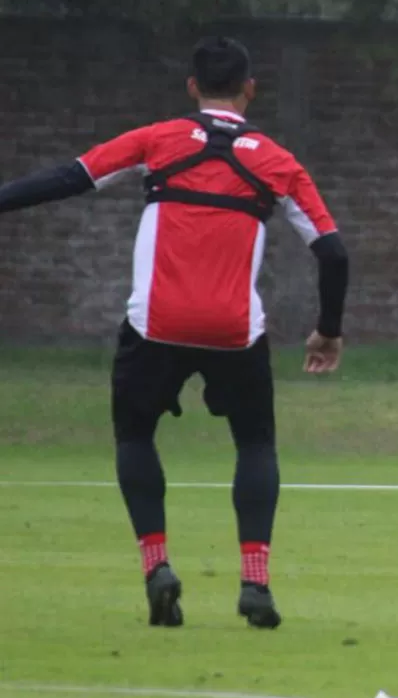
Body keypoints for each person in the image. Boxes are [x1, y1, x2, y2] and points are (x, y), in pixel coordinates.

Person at [0, 36, 350, 630]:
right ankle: (255, 582)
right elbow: (334, 253)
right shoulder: (277, 161)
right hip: (235, 332)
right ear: (250, 90)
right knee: (256, 445)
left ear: (192, 88)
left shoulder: (157, 140)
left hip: (154, 326)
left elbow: (68, 178)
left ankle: (157, 567)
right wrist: (329, 331)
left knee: (136, 438)